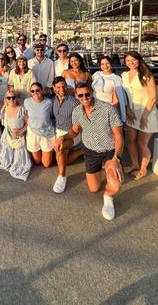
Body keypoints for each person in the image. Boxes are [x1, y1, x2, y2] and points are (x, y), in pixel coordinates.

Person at [54, 83, 124, 221]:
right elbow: (74, 131)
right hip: (90, 152)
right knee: (94, 188)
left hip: (109, 151)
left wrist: (117, 158)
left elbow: (119, 136)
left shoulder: (108, 109)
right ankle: (100, 174)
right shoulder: (77, 112)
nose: (84, 97)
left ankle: (108, 197)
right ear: (76, 96)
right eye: (81, 95)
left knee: (115, 186)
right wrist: (62, 137)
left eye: (87, 94)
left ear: (91, 92)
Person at [121, 51, 158, 180]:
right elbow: (124, 96)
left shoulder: (147, 76)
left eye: (133, 60)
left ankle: (142, 170)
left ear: (139, 60)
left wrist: (144, 116)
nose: (131, 63)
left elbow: (153, 98)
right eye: (128, 60)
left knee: (141, 144)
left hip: (147, 112)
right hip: (131, 113)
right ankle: (134, 164)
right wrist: (127, 110)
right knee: (131, 141)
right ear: (125, 62)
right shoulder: (124, 75)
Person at [51, 77, 83, 193]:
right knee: (62, 159)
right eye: (58, 87)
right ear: (54, 88)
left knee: (60, 150)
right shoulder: (53, 101)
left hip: (71, 134)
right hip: (58, 132)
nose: (62, 89)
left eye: (64, 86)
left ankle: (62, 176)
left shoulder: (74, 102)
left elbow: (77, 126)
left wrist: (62, 138)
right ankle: (81, 151)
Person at [0, 89, 31, 181]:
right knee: (4, 162)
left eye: (13, 97)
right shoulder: (4, 109)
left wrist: (20, 131)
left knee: (19, 164)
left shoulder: (21, 110)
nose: (11, 99)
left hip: (19, 137)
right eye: (9, 98)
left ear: (17, 98)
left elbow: (28, 124)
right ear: (6, 99)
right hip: (7, 136)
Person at [24, 82, 55, 168]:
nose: (35, 93)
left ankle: (46, 152)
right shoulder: (27, 102)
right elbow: (25, 115)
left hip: (47, 132)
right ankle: (40, 151)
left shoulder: (49, 102)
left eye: (37, 90)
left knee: (46, 164)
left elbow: (53, 116)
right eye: (32, 91)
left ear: (42, 91)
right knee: (37, 162)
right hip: (33, 133)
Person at [92, 55, 127, 122]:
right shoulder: (96, 75)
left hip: (108, 108)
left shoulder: (116, 78)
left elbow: (120, 96)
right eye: (102, 64)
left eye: (107, 63)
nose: (105, 66)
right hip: (94, 107)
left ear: (111, 64)